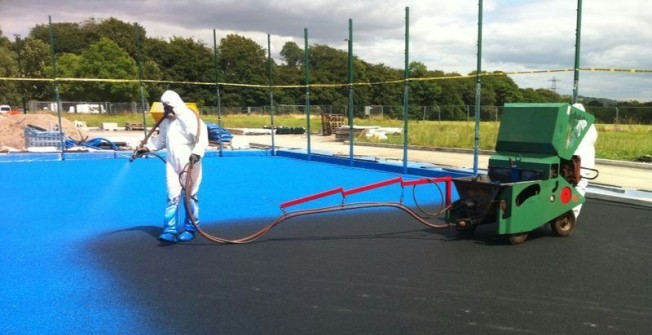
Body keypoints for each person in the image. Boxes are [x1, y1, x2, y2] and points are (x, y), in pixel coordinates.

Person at [138, 90, 209, 243]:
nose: (166, 110)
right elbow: (161, 140)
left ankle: (190, 228)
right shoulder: (166, 122)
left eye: (168, 106)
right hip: (172, 163)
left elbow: (201, 139)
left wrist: (196, 153)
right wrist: (147, 148)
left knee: (189, 196)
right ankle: (170, 230)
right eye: (164, 106)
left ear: (176, 105)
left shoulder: (191, 119)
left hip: (190, 163)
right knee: (172, 196)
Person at [571, 103, 598, 219]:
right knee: (580, 186)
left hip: (577, 160)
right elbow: (593, 139)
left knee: (575, 186)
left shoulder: (573, 123)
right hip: (586, 160)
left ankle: (571, 214)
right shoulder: (590, 125)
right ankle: (572, 214)